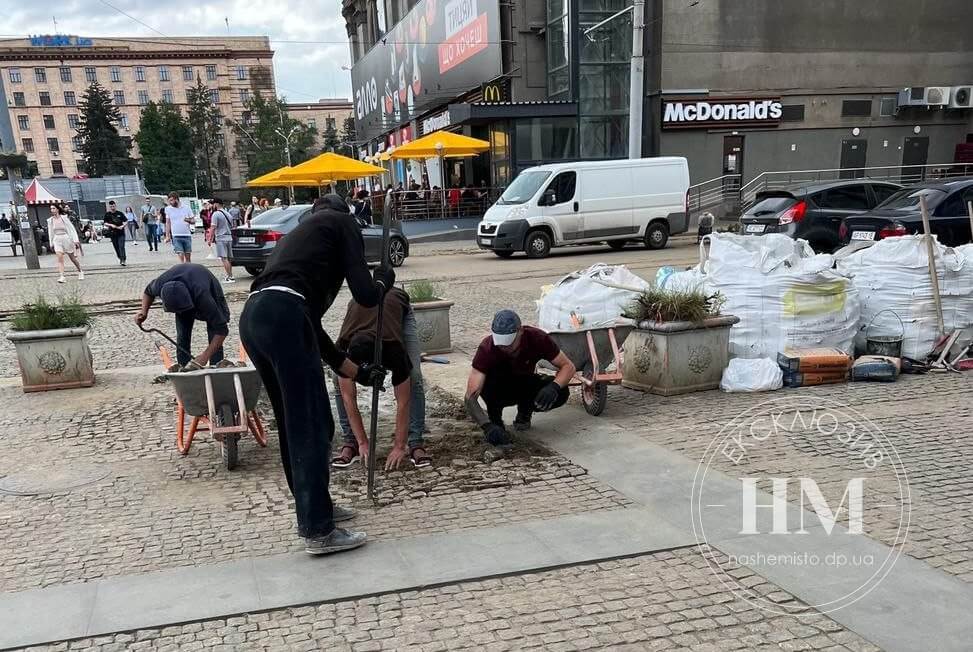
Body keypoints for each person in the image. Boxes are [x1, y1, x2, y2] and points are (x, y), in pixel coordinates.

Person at [239, 194, 395, 556]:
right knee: (309, 422)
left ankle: (317, 507)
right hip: (284, 317)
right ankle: (317, 528)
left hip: (258, 317)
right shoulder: (342, 223)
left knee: (300, 421)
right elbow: (366, 295)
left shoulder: (304, 240)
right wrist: (383, 281)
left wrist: (359, 373)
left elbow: (315, 334)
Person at [331, 286, 432, 470]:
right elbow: (348, 397)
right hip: (359, 310)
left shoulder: (394, 350)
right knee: (336, 380)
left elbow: (403, 401)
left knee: (414, 376)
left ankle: (415, 441)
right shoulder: (344, 348)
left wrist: (398, 446)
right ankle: (351, 441)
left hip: (396, 309)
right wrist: (363, 442)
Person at [465, 310, 575, 445]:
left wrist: (554, 387)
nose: (505, 348)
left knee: (562, 391)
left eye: (509, 343)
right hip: (497, 389)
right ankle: (496, 422)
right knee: (488, 386)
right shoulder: (487, 348)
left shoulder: (537, 338)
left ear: (520, 331)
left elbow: (568, 366)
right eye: (501, 343)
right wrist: (486, 426)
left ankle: (525, 411)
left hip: (524, 383)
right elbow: (470, 397)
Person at [136, 263, 230, 369]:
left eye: (183, 310)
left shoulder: (203, 295)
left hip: (206, 283)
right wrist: (144, 312)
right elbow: (148, 292)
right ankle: (184, 368)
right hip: (187, 287)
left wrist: (204, 356)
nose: (180, 313)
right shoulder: (160, 284)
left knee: (214, 330)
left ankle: (216, 368)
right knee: (182, 335)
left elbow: (222, 330)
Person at [47, 205, 84, 283]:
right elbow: (50, 232)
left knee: (72, 258)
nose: (52, 210)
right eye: (51, 209)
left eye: (54, 208)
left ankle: (80, 271)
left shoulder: (64, 218)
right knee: (60, 257)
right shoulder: (50, 220)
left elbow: (71, 229)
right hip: (57, 239)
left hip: (66, 238)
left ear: (57, 209)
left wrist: (75, 240)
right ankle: (62, 276)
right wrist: (51, 243)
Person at [209, 197, 235, 283]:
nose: (212, 206)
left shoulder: (216, 214)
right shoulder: (228, 214)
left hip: (221, 238)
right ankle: (231, 275)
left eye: (212, 204)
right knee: (229, 258)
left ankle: (230, 276)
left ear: (216, 204)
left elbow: (213, 227)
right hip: (229, 237)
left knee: (224, 258)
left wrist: (210, 239)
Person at [163, 192, 194, 263]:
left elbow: (193, 220)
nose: (170, 202)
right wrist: (167, 236)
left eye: (171, 200)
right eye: (169, 201)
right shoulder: (168, 209)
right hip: (176, 235)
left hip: (186, 235)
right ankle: (182, 270)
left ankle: (188, 272)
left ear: (176, 199)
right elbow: (168, 223)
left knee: (188, 257)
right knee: (180, 254)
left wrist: (188, 220)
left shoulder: (186, 208)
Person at [103, 200, 128, 266]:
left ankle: (123, 259)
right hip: (113, 233)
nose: (112, 208)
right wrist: (111, 225)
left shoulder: (120, 213)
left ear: (115, 206)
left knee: (121, 246)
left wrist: (122, 226)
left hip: (121, 233)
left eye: (113, 206)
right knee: (116, 247)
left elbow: (126, 221)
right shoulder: (107, 214)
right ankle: (120, 257)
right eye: (111, 206)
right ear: (109, 207)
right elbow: (105, 223)